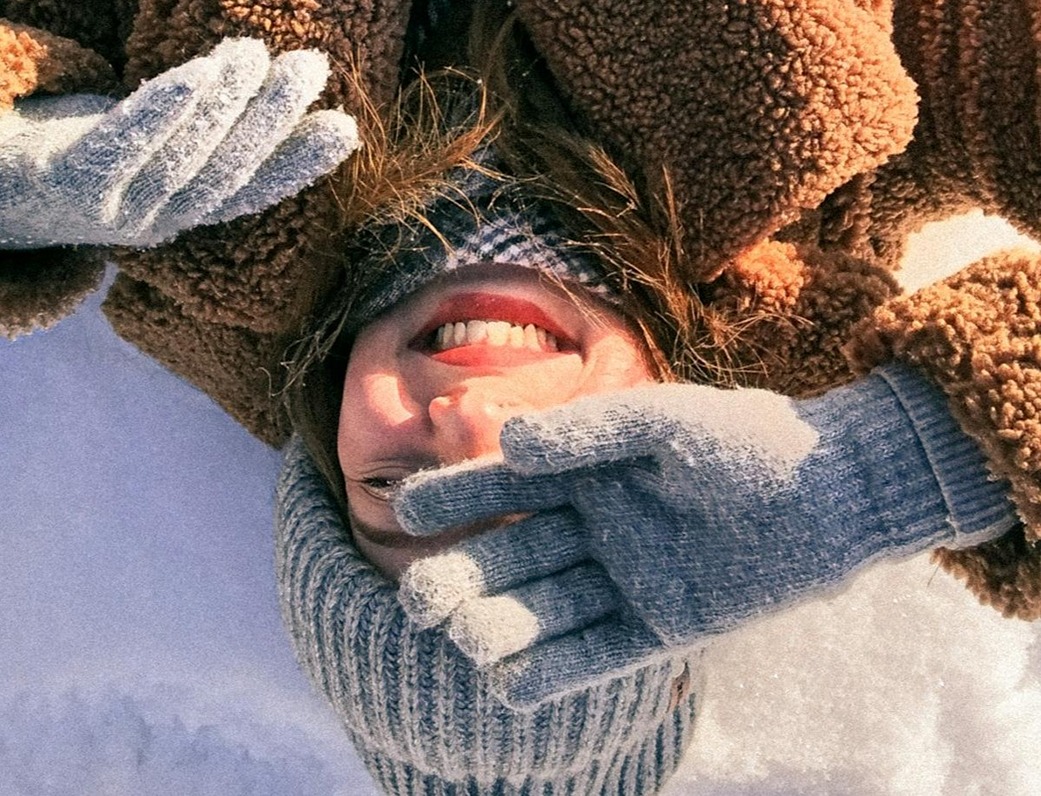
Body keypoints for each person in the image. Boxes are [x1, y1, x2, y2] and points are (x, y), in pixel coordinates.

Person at [273, 66, 1020, 793]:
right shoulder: (837, 164)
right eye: (562, 493)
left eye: (394, 488)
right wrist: (889, 465)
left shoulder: (226, 220)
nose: (469, 414)